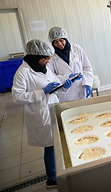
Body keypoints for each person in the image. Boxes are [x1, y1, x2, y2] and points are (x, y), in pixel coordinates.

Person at [12, 39, 77, 188]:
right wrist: (42, 92)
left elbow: (54, 84)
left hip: (53, 108)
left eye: (49, 58)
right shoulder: (23, 73)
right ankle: (51, 178)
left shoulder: (45, 69)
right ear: (35, 57)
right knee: (50, 147)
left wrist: (65, 85)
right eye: (46, 58)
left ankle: (62, 171)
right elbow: (17, 97)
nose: (48, 61)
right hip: (40, 113)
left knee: (59, 142)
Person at [47, 27, 93, 102]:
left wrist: (88, 83)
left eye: (61, 40)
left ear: (65, 39)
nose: (59, 44)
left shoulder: (77, 48)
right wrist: (66, 78)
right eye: (55, 42)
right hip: (67, 93)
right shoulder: (51, 55)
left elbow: (87, 67)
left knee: (86, 112)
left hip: (82, 88)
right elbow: (51, 76)